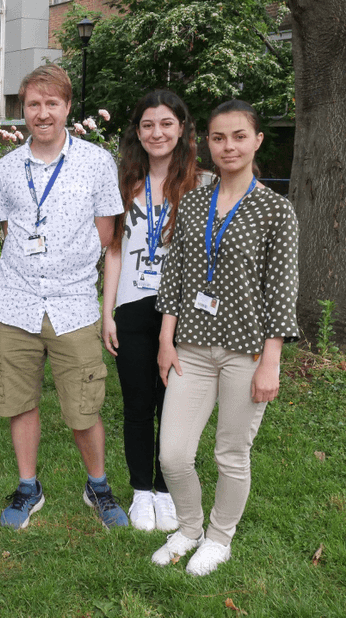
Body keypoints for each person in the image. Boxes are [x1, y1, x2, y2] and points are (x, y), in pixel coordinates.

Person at [151, 100, 298, 575]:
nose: (228, 146)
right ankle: (189, 527)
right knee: (173, 454)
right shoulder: (193, 201)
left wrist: (270, 362)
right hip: (190, 348)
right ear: (206, 144)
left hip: (246, 351)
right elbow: (173, 273)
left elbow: (281, 289)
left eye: (238, 136)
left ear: (256, 141)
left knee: (230, 453)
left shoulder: (276, 210)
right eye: (218, 137)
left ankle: (219, 538)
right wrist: (165, 340)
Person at [0, 64, 128, 530]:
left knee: (83, 404)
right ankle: (29, 486)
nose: (42, 113)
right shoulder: (7, 168)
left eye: (52, 103)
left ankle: (99, 486)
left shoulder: (96, 163)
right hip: (16, 303)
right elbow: (11, 231)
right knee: (19, 399)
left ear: (68, 107)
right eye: (33, 104)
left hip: (73, 305)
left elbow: (108, 236)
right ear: (23, 109)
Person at [102, 91, 200, 532]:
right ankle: (142, 490)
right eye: (147, 125)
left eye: (165, 124)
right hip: (132, 307)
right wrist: (108, 313)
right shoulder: (125, 183)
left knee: (174, 404)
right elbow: (114, 252)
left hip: (182, 310)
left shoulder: (202, 185)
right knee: (138, 403)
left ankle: (166, 487)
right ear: (137, 132)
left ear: (181, 128)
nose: (156, 133)